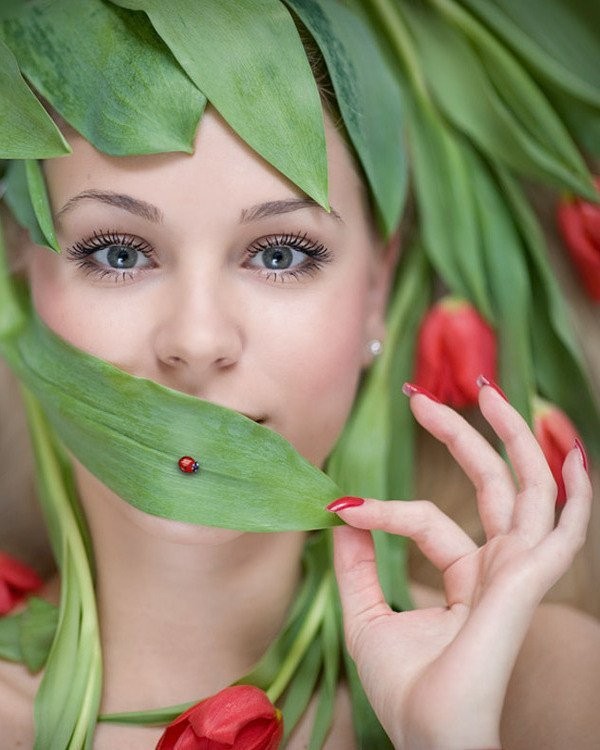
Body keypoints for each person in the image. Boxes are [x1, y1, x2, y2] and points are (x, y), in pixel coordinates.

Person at [0, 1, 599, 748]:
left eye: (279, 254)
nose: (196, 339)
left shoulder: (554, 694)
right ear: (23, 278)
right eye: (119, 252)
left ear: (377, 291)